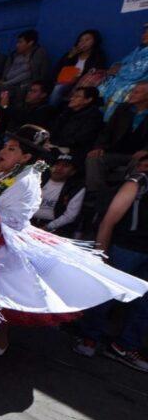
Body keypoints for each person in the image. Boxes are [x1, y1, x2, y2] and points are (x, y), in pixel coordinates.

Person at [0, 124, 147, 355]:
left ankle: (0, 334)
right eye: (5, 146)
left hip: (5, 242)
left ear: (26, 157)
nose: (3, 151)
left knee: (4, 290)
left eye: (12, 149)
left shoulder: (27, 180)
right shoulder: (1, 172)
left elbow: (16, 218)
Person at [74, 157, 148, 370]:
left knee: (144, 305)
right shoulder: (138, 182)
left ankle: (124, 346)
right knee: (107, 293)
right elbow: (110, 219)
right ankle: (89, 336)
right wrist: (101, 253)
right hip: (127, 248)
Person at [85, 81, 148, 214]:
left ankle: (125, 198)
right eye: (132, 91)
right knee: (93, 159)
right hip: (115, 152)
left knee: (139, 163)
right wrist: (99, 146)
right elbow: (107, 131)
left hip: (138, 156)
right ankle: (95, 197)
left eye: (137, 92)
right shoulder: (123, 108)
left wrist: (145, 151)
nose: (131, 94)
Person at [0, 81, 57, 166]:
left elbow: (25, 118)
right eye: (29, 90)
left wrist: (5, 107)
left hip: (23, 144)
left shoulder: (46, 109)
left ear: (43, 95)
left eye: (34, 91)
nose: (29, 93)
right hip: (7, 137)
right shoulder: (22, 105)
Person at [99, 23, 148, 120]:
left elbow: (138, 72)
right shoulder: (138, 50)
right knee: (99, 88)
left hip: (138, 83)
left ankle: (110, 123)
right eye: (145, 33)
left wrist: (120, 69)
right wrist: (116, 67)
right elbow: (121, 63)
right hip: (121, 80)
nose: (144, 35)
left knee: (121, 92)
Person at [0, 30, 50, 101]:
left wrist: (5, 83)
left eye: (20, 42)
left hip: (21, 88)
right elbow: (7, 73)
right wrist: (3, 81)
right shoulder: (14, 55)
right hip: (7, 85)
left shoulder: (38, 54)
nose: (17, 45)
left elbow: (35, 75)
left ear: (30, 43)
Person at [50, 29, 108, 106]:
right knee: (58, 87)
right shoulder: (71, 54)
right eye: (81, 40)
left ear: (95, 41)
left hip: (80, 85)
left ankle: (51, 111)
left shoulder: (98, 56)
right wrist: (70, 57)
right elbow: (59, 69)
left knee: (59, 88)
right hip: (64, 82)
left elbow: (93, 73)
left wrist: (77, 79)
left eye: (87, 40)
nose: (83, 42)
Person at [32, 152, 85, 236]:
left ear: (73, 172)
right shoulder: (38, 179)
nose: (59, 168)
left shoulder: (76, 188)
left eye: (65, 166)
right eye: (57, 165)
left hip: (54, 229)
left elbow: (70, 216)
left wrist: (48, 227)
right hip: (28, 221)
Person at [47, 86, 103, 155]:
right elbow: (54, 127)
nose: (71, 98)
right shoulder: (67, 111)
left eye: (77, 97)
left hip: (74, 150)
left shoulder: (94, 117)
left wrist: (56, 144)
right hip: (55, 144)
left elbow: (80, 139)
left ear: (88, 100)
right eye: (73, 96)